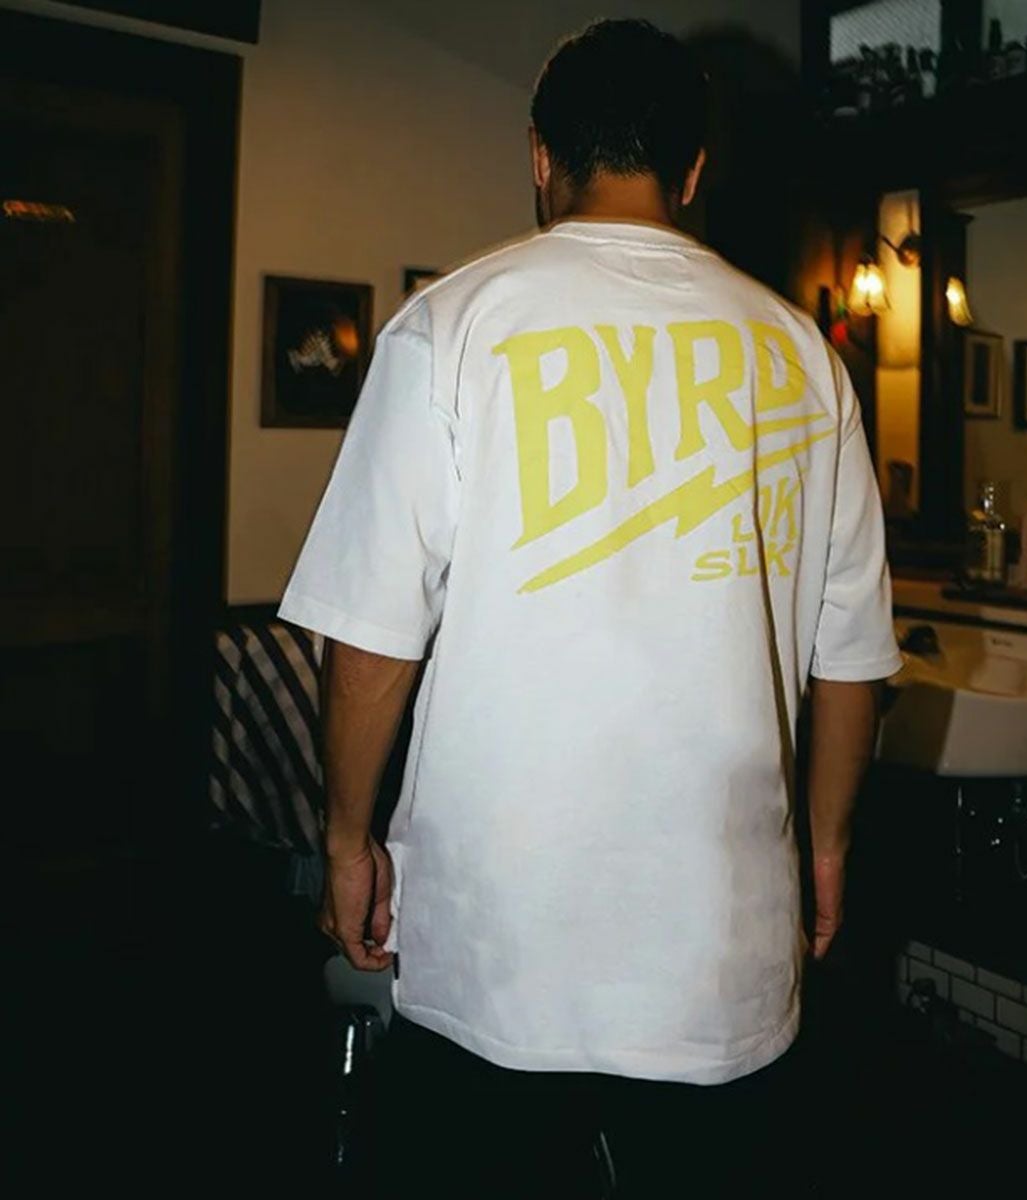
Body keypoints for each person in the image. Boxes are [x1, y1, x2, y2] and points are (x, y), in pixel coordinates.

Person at [280, 18, 900, 1196]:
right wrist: (824, 851)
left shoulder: (452, 328)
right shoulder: (807, 360)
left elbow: (368, 640)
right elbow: (852, 662)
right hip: (722, 951)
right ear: (694, 170)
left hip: (497, 948)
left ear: (539, 154)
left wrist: (348, 840)